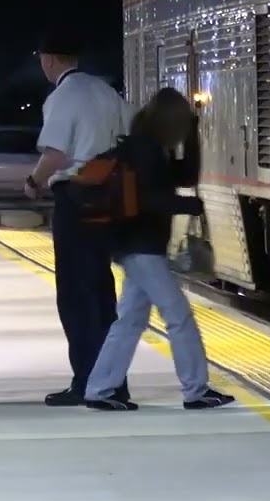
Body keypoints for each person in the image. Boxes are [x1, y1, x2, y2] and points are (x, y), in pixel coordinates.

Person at [84, 88, 235, 411]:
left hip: (137, 245)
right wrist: (188, 205)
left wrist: (193, 136)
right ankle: (196, 390)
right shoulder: (145, 152)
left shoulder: (149, 147)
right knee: (178, 315)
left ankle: (100, 389)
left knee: (130, 320)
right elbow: (150, 199)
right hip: (141, 245)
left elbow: (187, 175)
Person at [24, 33, 135, 407]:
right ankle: (113, 382)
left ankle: (87, 379)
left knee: (75, 292)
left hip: (75, 197)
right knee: (102, 289)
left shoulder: (62, 97)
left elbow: (55, 153)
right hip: (108, 196)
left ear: (49, 60)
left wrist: (33, 181)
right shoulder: (106, 92)